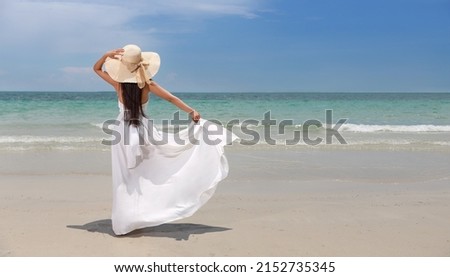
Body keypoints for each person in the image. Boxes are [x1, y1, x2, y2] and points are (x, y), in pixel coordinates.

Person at [93, 44, 238, 235]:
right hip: (142, 129)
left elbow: (96, 69)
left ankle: (125, 220)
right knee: (148, 171)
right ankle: (142, 213)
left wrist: (106, 55)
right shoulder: (148, 84)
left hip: (123, 131)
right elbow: (171, 98)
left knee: (126, 177)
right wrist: (191, 111)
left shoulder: (118, 84)